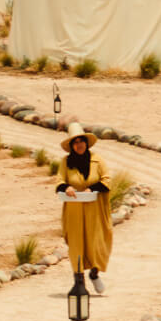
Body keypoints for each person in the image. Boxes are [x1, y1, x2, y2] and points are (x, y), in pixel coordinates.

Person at [53, 121, 113, 296]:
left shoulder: (97, 160)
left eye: (81, 141)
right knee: (76, 245)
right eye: (75, 142)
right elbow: (59, 181)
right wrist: (67, 188)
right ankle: (79, 283)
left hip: (95, 209)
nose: (79, 145)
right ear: (71, 145)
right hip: (74, 211)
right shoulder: (66, 162)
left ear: (86, 143)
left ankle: (94, 273)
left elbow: (107, 180)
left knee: (97, 242)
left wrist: (92, 188)